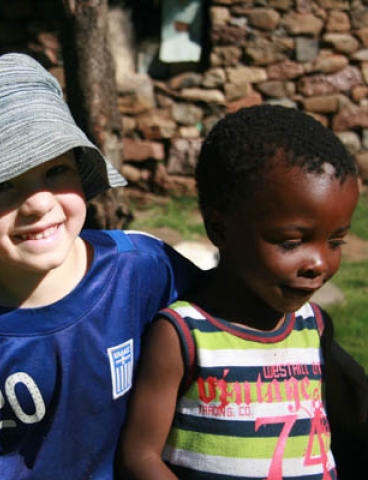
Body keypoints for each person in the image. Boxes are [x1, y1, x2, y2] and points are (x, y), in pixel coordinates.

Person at [0, 52, 203, 479]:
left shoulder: (143, 269)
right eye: (1, 184)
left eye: (56, 169)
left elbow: (226, 325)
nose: (40, 203)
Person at [119, 104, 367, 479]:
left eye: (336, 242)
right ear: (221, 231)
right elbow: (140, 457)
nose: (318, 262)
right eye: (291, 241)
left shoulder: (311, 326)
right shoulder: (185, 335)